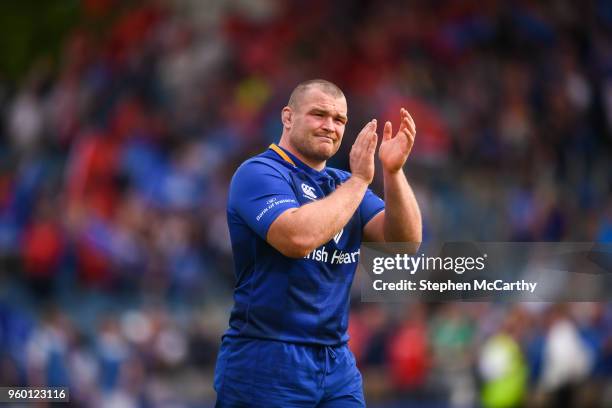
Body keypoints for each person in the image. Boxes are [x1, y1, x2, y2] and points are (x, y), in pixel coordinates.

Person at [214, 79, 422, 407]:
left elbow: (404, 244)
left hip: (335, 360)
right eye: (319, 115)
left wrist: (393, 172)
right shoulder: (258, 173)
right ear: (287, 117)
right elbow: (297, 238)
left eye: (339, 120)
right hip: (266, 358)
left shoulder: (342, 185)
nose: (330, 126)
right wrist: (359, 181)